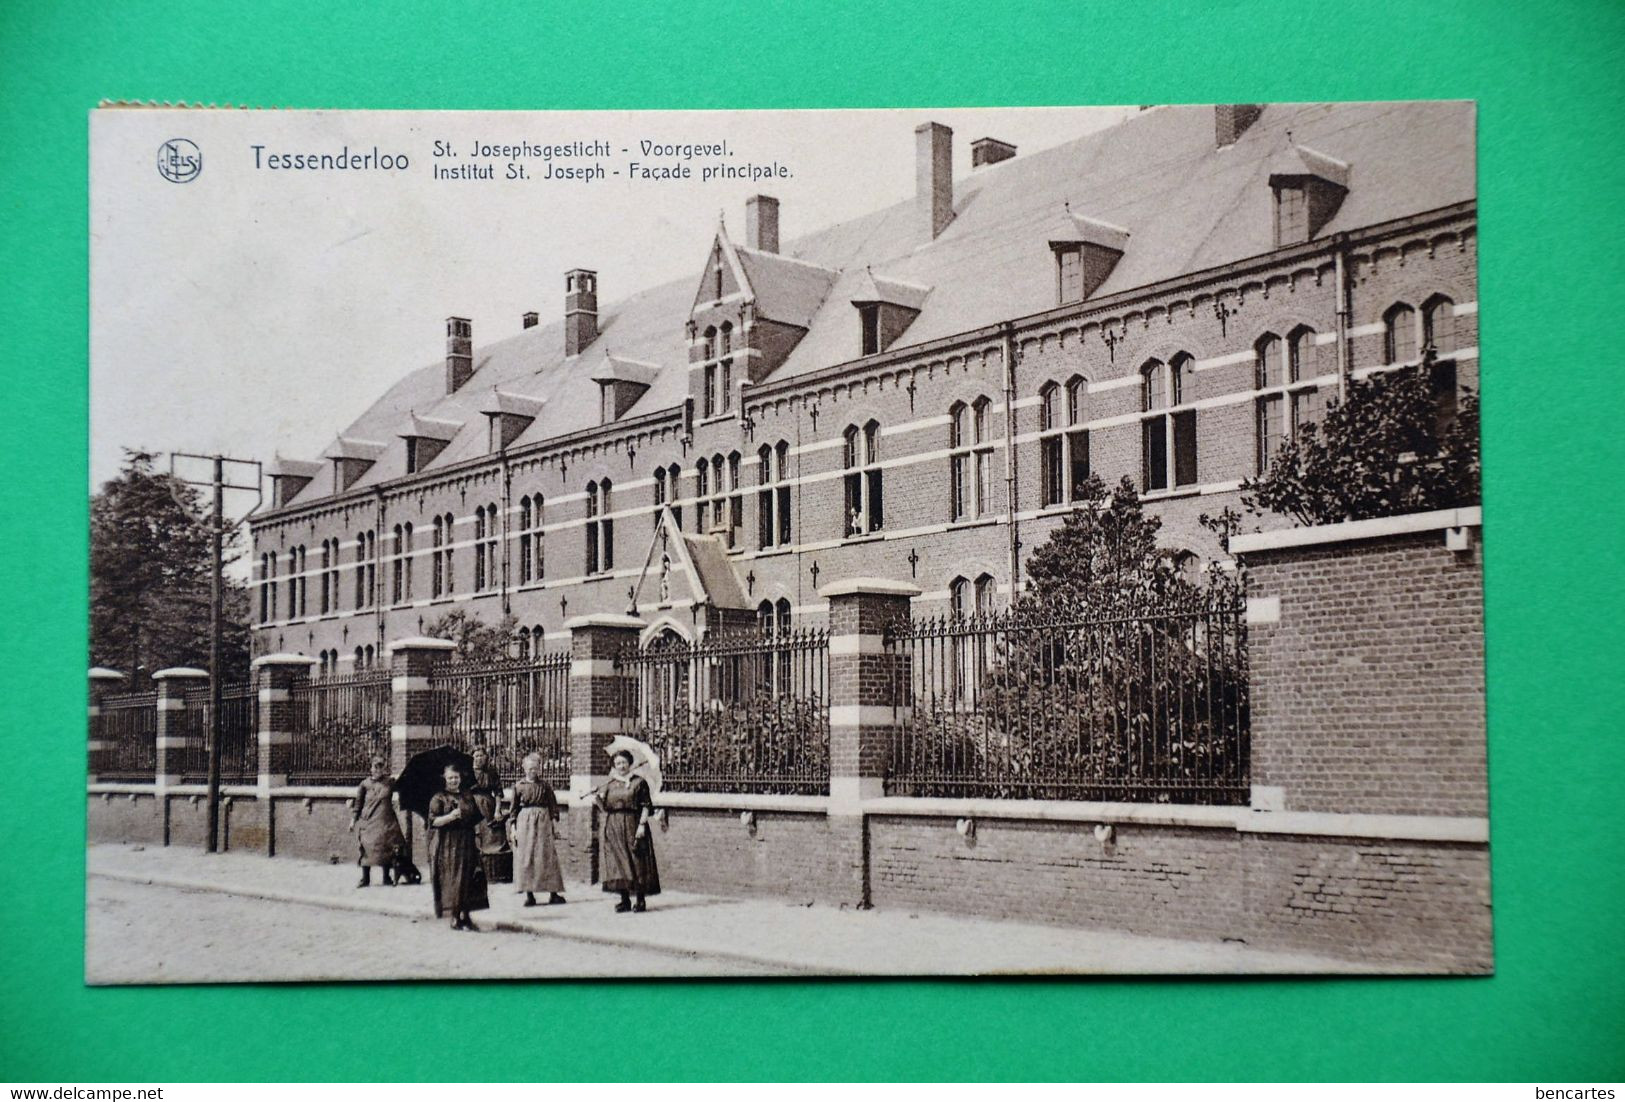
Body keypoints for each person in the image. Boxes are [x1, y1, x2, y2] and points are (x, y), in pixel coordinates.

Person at [594, 749, 660, 913]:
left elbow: (646, 806)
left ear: (630, 764)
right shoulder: (610, 784)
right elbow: (605, 809)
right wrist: (596, 797)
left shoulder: (639, 782)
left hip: (633, 823)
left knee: (636, 860)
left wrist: (642, 826)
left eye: (623, 762)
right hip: (613, 826)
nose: (621, 766)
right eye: (617, 764)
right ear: (614, 766)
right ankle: (624, 900)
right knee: (617, 862)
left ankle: (640, 899)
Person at [426, 763, 489, 931]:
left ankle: (466, 915)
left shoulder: (467, 795)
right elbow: (433, 822)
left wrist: (476, 835)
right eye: (450, 778)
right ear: (445, 779)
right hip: (449, 842)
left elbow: (476, 817)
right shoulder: (439, 798)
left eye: (456, 777)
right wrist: (450, 817)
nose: (454, 781)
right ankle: (454, 916)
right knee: (454, 878)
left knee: (468, 877)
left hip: (467, 840)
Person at [510, 752, 566, 907]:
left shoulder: (545, 786)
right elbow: (513, 811)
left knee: (547, 856)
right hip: (524, 822)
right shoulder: (518, 786)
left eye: (535, 768)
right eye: (529, 768)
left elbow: (553, 807)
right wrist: (513, 829)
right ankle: (529, 895)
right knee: (527, 857)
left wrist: (554, 825)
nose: (532, 771)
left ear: (539, 769)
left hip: (543, 822)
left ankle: (553, 893)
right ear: (524, 768)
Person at [349, 755, 407, 888]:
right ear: (371, 768)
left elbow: (402, 786)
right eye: (375, 767)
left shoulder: (389, 782)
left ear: (383, 769)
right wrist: (353, 820)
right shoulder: (364, 784)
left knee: (386, 847)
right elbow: (358, 804)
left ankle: (386, 877)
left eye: (380, 767)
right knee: (366, 847)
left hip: (386, 820)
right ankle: (365, 878)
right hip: (369, 820)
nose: (377, 770)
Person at [468, 747, 511, 885]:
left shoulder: (491, 772)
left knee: (491, 836)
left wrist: (497, 810)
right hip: (470, 806)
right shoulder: (466, 772)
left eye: (482, 755)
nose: (479, 758)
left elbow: (498, 793)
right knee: (472, 837)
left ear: (486, 758)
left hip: (488, 806)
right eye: (476, 755)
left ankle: (490, 871)